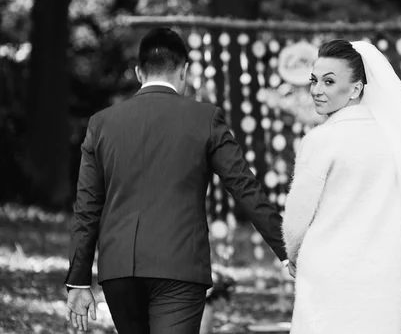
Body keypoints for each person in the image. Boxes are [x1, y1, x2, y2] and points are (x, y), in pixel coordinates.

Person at [64, 27, 288, 333]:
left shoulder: (101, 123)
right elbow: (243, 186)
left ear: (139, 73)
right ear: (184, 71)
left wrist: (77, 280)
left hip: (119, 269)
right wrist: (287, 249)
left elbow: (87, 206)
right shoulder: (206, 118)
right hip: (180, 265)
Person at [282, 40, 401, 334]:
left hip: (328, 271)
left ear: (357, 88)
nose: (317, 90)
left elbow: (297, 217)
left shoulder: (322, 140)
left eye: (329, 82)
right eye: (315, 80)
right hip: (382, 272)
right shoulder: (397, 141)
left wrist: (294, 256)